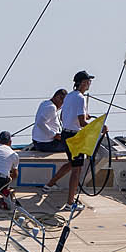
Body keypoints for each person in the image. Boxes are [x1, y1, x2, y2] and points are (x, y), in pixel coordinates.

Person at [43, 71, 98, 212]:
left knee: (71, 164)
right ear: (83, 83)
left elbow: (63, 116)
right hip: (75, 137)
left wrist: (84, 115)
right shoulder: (80, 98)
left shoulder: (69, 97)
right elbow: (81, 122)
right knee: (76, 170)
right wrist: (99, 127)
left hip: (66, 134)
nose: (89, 84)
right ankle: (69, 203)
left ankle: (48, 185)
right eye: (88, 81)